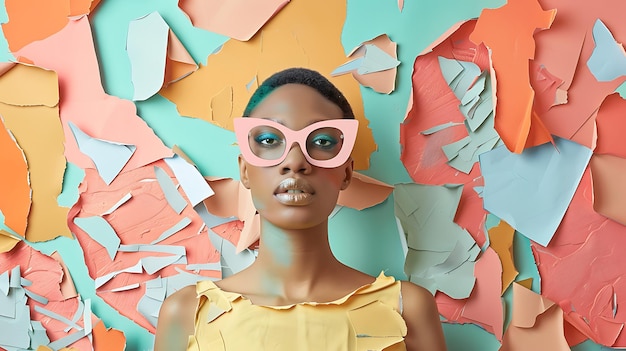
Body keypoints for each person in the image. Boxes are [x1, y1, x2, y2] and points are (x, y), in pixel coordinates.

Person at [154, 67, 446, 351]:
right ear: (244, 171)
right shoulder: (188, 313)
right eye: (269, 140)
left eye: (321, 141)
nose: (295, 162)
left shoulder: (407, 310)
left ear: (345, 173)